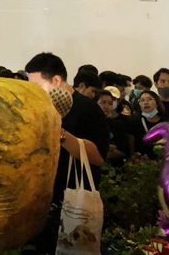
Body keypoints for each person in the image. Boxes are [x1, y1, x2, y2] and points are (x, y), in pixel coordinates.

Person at [25, 52, 109, 254]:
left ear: (56, 80)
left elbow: (98, 157)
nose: (33, 93)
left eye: (36, 86)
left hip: (72, 203)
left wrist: (60, 133)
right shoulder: (39, 109)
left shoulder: (87, 109)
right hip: (43, 202)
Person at [96, 88, 131, 165]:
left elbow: (124, 151)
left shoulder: (117, 125)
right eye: (103, 102)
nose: (106, 106)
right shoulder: (88, 124)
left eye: (110, 103)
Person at [131, 90, 165, 157]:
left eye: (149, 99)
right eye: (142, 100)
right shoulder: (135, 122)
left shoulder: (166, 121)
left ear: (157, 103)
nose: (146, 103)